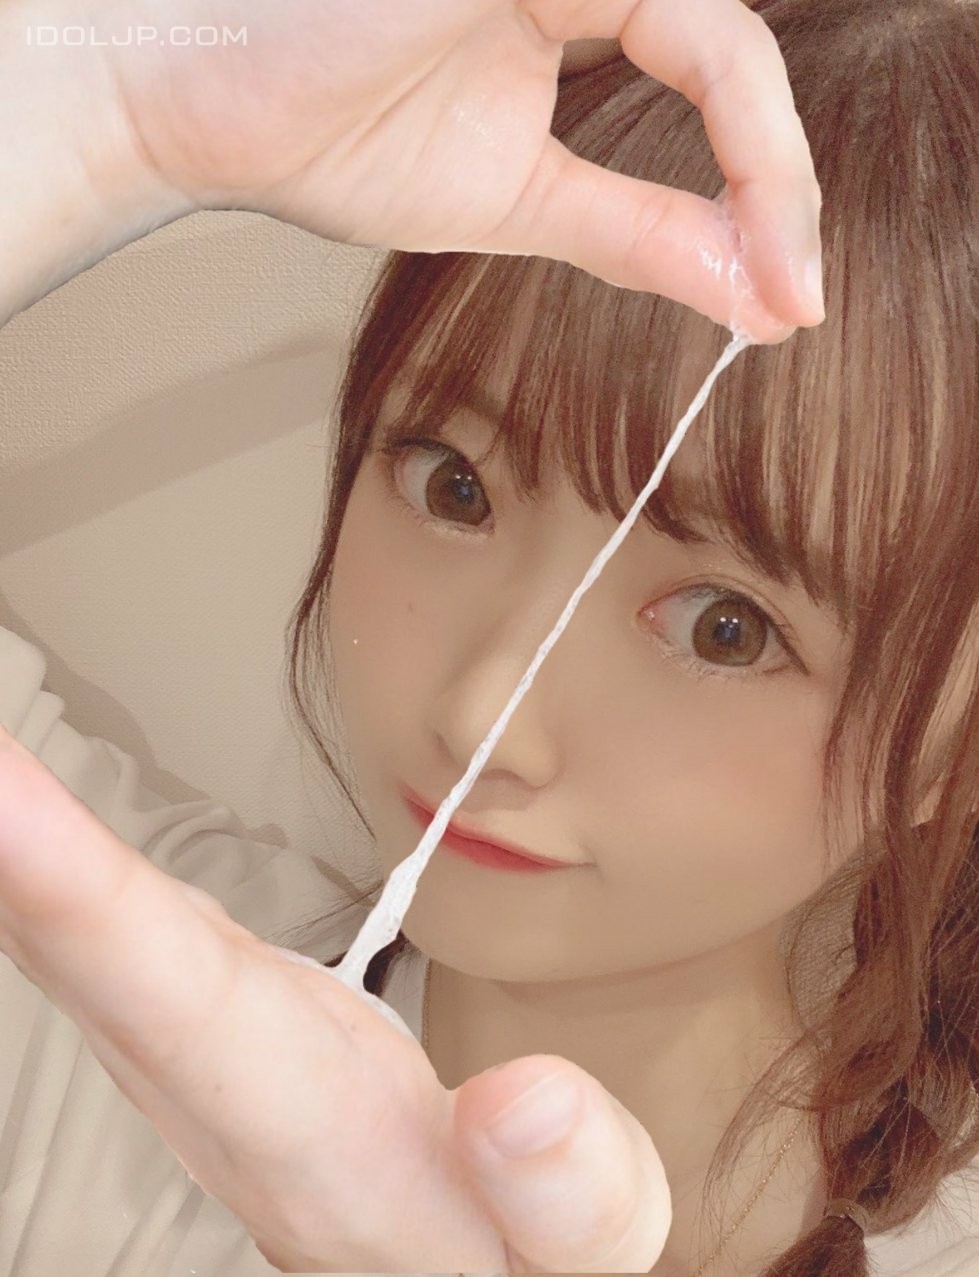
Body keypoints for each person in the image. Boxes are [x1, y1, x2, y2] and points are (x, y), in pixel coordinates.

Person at [0, 2, 975, 1277]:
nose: (480, 716)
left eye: (725, 627)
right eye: (453, 485)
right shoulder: (84, 969)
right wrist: (112, 121)